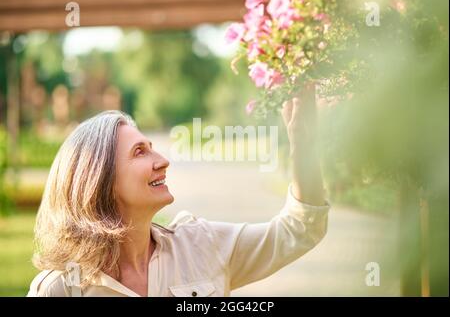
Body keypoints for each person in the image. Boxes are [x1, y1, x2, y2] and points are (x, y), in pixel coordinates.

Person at [27, 88, 330, 297]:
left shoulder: (202, 246)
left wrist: (302, 146)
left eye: (153, 148)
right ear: (100, 179)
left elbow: (301, 228)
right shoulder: (61, 288)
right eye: (139, 152)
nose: (162, 161)